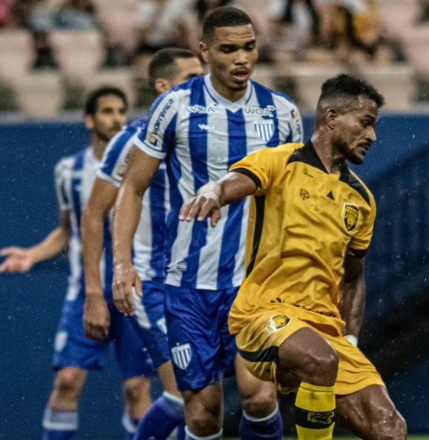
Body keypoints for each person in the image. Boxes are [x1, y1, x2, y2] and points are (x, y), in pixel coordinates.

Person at [111, 6, 304, 440]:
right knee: (202, 414)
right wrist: (123, 264)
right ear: (205, 50)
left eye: (249, 47)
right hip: (188, 285)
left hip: (255, 285)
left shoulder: (282, 113)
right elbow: (133, 189)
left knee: (260, 396)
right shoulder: (174, 107)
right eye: (229, 49)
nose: (242, 59)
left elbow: (293, 199)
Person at [179, 74, 408, 440]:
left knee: (390, 429)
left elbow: (352, 275)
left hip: (325, 333)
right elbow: (232, 182)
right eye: (365, 124)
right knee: (318, 359)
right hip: (263, 315)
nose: (373, 137)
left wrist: (350, 340)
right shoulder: (281, 162)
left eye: (375, 127)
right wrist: (213, 191)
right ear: (332, 117)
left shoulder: (361, 200)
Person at [0, 87, 155, 440]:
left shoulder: (144, 165)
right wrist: (32, 255)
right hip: (86, 293)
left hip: (136, 292)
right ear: (89, 119)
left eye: (121, 111)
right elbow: (67, 231)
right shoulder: (68, 171)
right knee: (68, 380)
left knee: (136, 389)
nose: (116, 118)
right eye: (107, 111)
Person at [81, 48, 205, 440]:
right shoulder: (131, 140)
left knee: (201, 399)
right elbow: (93, 214)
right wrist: (94, 293)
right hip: (152, 285)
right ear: (163, 87)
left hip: (205, 284)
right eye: (190, 79)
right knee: (188, 397)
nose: (201, 86)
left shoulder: (210, 134)